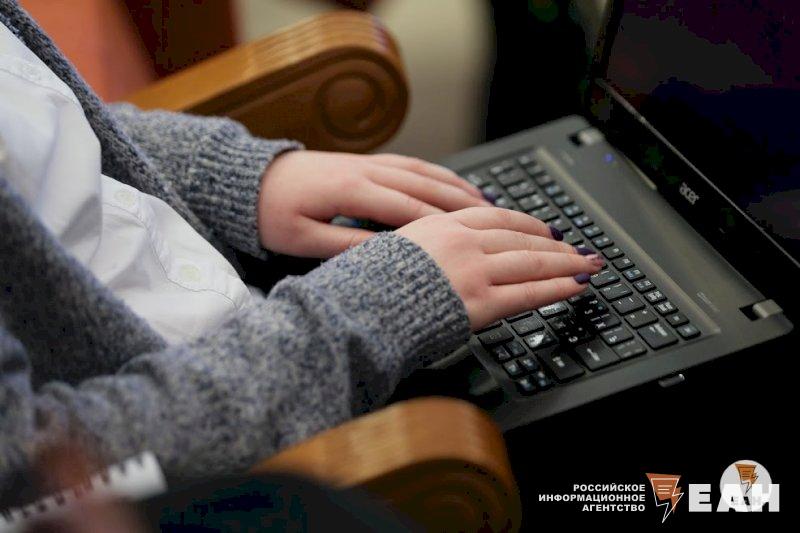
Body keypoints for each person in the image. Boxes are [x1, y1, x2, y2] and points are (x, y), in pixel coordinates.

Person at [0, 0, 604, 495]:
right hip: (253, 456)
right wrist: (371, 309)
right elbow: (33, 478)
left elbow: (35, 119)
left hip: (267, 338)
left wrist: (241, 176)